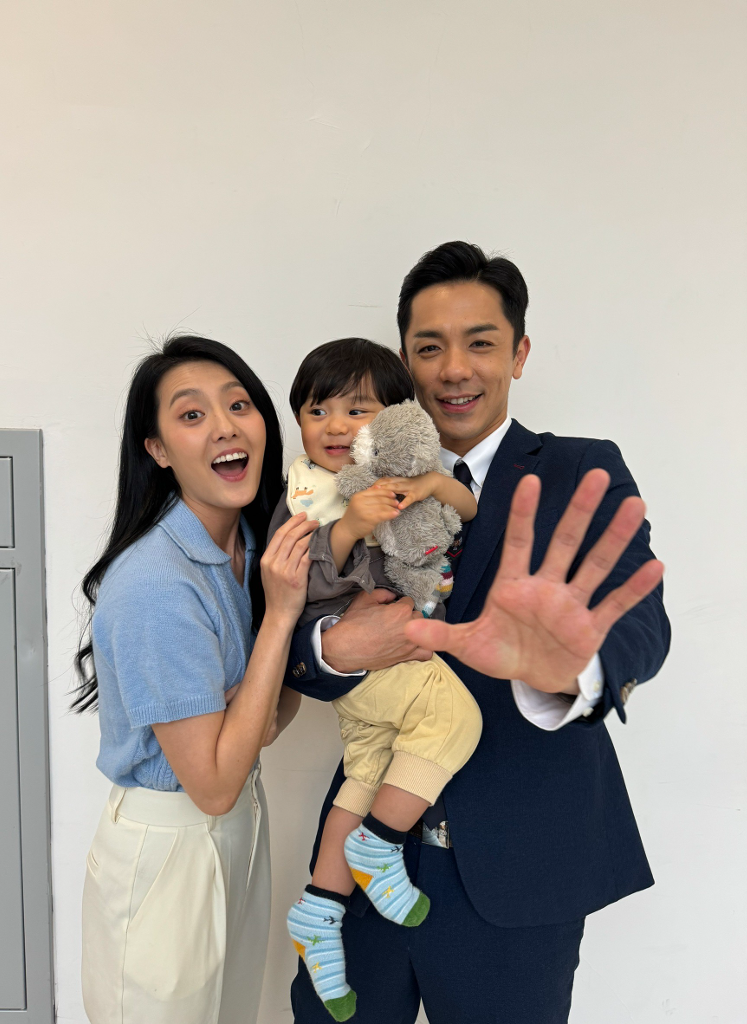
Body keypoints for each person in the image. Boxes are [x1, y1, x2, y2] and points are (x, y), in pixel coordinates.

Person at [286, 242, 670, 1024]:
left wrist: (570, 668)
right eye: (430, 348)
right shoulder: (339, 483)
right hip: (363, 853)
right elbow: (284, 623)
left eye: (481, 343)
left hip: (522, 867)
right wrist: (333, 650)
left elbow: (641, 625)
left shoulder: (581, 469)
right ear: (406, 361)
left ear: (519, 354)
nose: (454, 369)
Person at [72, 335, 316, 1024]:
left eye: (238, 405)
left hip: (240, 829)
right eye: (191, 415)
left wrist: (245, 711)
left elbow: (270, 719)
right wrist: (281, 620)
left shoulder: (254, 547)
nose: (225, 427)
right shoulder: (156, 584)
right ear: (157, 449)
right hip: (168, 848)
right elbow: (211, 783)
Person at [269, 338, 481, 1020]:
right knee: (455, 716)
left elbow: (466, 510)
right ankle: (380, 845)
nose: (334, 425)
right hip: (365, 659)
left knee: (364, 776)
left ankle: (320, 908)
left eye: (356, 410)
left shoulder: (402, 475)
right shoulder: (306, 492)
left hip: (369, 691)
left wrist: (433, 485)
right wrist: (349, 525)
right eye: (317, 410)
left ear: (395, 419)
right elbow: (295, 583)